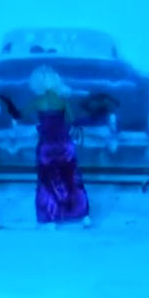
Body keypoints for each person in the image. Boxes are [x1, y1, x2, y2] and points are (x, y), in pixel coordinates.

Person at [25, 66, 90, 228]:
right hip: (64, 145)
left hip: (46, 146)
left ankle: (51, 218)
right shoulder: (62, 101)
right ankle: (82, 215)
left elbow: (22, 115)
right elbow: (72, 121)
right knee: (72, 179)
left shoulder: (37, 101)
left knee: (47, 181)